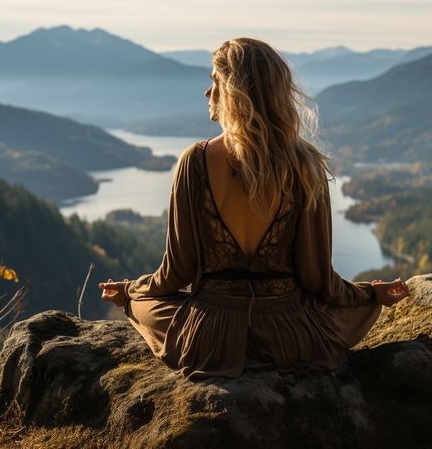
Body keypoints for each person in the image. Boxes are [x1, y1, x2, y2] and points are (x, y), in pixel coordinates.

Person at [98, 37, 408, 379]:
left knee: (142, 304)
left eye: (214, 81)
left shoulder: (195, 162)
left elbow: (175, 275)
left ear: (232, 92)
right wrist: (369, 295)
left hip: (210, 339)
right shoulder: (304, 165)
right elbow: (318, 280)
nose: (207, 93)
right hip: (294, 338)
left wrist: (130, 291)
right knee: (336, 312)